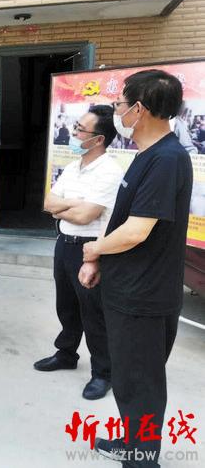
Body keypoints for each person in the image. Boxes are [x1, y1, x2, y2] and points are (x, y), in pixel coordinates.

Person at [80, 70, 192, 467]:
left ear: (139, 109)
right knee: (129, 378)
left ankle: (142, 459)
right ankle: (132, 443)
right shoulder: (148, 154)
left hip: (144, 296)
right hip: (129, 287)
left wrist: (92, 250)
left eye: (119, 105)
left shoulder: (166, 160)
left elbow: (136, 231)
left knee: (141, 383)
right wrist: (102, 262)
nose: (117, 112)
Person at [35, 105, 123, 400]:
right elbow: (49, 203)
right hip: (64, 243)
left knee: (93, 313)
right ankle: (66, 353)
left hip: (89, 248)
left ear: (98, 139)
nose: (73, 133)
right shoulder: (74, 167)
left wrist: (67, 207)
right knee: (66, 305)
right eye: (75, 127)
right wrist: (75, 204)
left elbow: (87, 217)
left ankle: (103, 373)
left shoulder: (109, 171)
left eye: (80, 130)